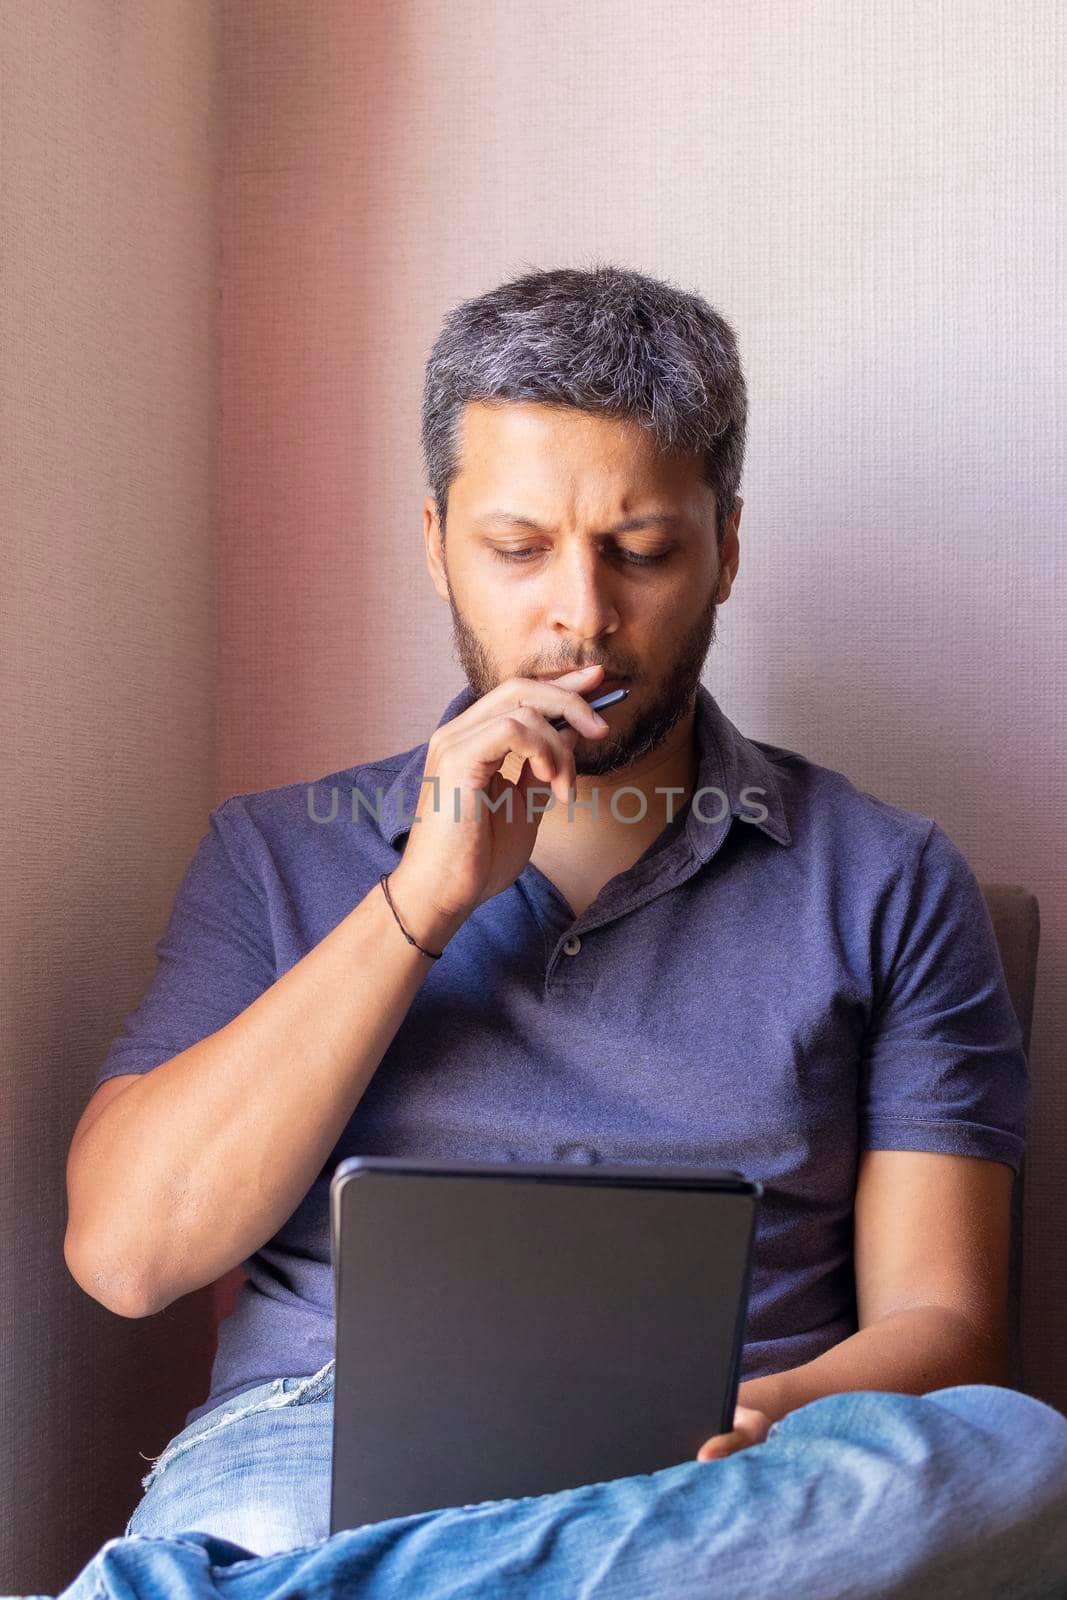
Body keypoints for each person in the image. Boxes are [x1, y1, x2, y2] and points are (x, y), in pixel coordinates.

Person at [58, 264, 1067, 1599]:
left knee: (1018, 1450)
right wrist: (424, 898)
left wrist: (759, 1425)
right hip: (318, 1447)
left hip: (734, 1471)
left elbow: (944, 1324)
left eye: (640, 551)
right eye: (518, 549)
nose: (580, 616)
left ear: (727, 549)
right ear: (435, 543)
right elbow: (130, 1258)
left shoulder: (887, 880)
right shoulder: (281, 850)